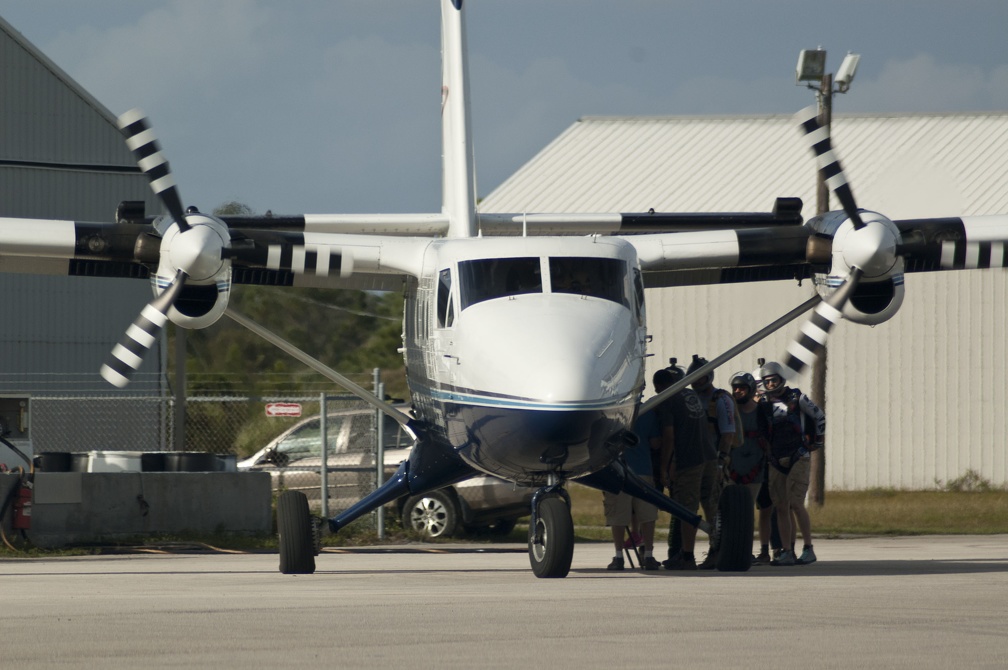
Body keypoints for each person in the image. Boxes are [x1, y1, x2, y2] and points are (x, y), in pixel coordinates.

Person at [759, 361, 825, 566]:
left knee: (796, 503)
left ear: (782, 379)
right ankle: (786, 550)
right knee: (781, 507)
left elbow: (819, 416)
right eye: (767, 381)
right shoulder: (762, 403)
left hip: (799, 455)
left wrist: (817, 442)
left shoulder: (797, 397)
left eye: (774, 380)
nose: (771, 385)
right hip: (776, 459)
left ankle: (808, 548)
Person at [653, 365, 718, 571]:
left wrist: (664, 467)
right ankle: (717, 550)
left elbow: (669, 436)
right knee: (710, 505)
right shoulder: (689, 394)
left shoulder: (667, 400)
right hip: (708, 455)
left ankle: (688, 556)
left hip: (689, 461)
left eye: (657, 389)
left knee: (686, 510)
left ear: (661, 386)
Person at [686, 355, 739, 570]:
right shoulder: (689, 398)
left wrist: (720, 463)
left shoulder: (721, 400)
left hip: (713, 462)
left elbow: (728, 434)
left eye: (700, 377)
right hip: (692, 461)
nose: (696, 381)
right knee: (687, 505)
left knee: (713, 508)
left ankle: (717, 551)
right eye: (693, 377)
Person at [604, 404, 662, 571]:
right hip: (643, 469)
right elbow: (656, 442)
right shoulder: (648, 412)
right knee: (647, 515)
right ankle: (649, 555)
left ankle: (619, 556)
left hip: (617, 471)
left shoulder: (610, 411)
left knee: (618, 515)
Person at [728, 371, 773, 564]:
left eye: (742, 388)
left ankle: (761, 550)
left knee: (749, 512)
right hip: (731, 469)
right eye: (735, 388)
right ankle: (727, 548)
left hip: (755, 469)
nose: (738, 392)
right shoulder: (728, 410)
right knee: (730, 512)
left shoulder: (762, 411)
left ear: (751, 390)